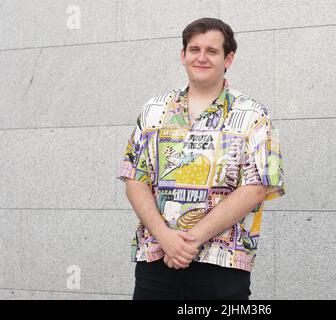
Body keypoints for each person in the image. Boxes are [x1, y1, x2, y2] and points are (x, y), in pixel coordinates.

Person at [116, 17, 286, 300]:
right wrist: (166, 238)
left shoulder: (254, 114)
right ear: (183, 55)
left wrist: (188, 242)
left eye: (212, 51)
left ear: (228, 58)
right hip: (156, 259)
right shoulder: (153, 110)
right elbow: (134, 177)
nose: (202, 57)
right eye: (194, 49)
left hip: (222, 264)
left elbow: (257, 186)